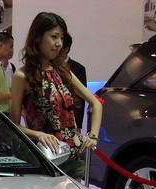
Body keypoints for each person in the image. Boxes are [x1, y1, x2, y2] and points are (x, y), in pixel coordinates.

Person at [10, 12, 102, 180]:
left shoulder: (63, 71)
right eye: (54, 37)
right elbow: (13, 125)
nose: (59, 43)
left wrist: (93, 137)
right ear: (37, 37)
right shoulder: (22, 76)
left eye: (61, 38)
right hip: (46, 158)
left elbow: (96, 103)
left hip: (73, 156)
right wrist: (38, 135)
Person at [61, 32, 87, 130]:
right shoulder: (48, 67)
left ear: (66, 49)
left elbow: (81, 99)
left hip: (71, 119)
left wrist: (78, 125)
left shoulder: (78, 68)